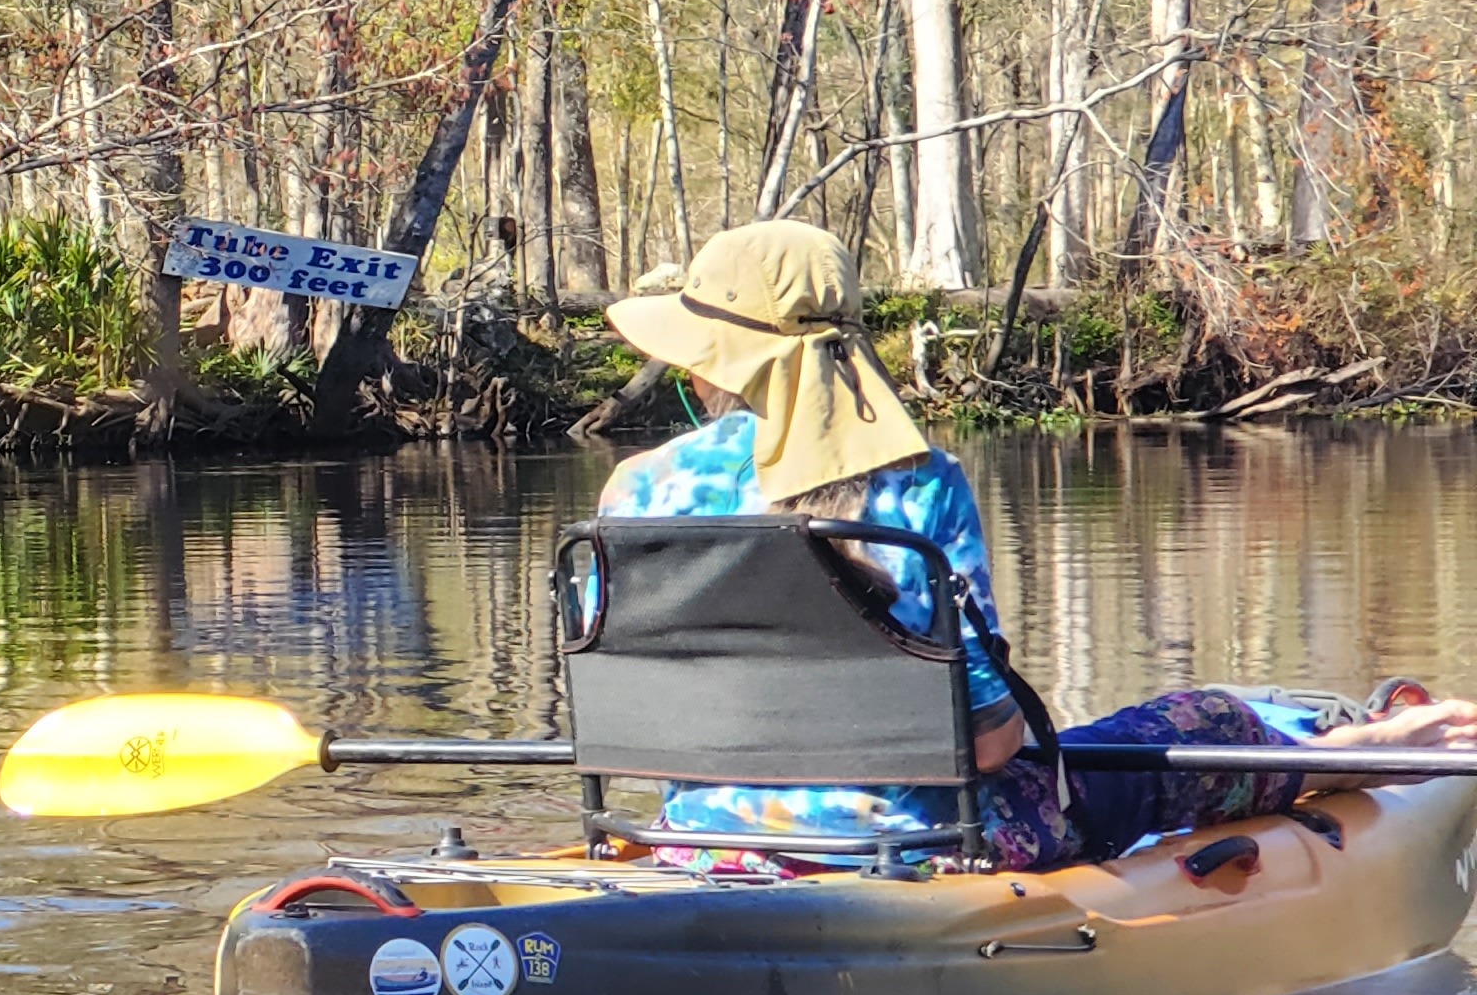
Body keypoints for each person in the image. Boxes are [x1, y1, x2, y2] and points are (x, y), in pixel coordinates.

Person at [595, 220, 1474, 872]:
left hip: (700, 837)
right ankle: (1362, 754)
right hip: (921, 844)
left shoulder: (632, 489)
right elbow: (983, 747)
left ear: (707, 361)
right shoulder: (916, 482)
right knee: (1194, 728)